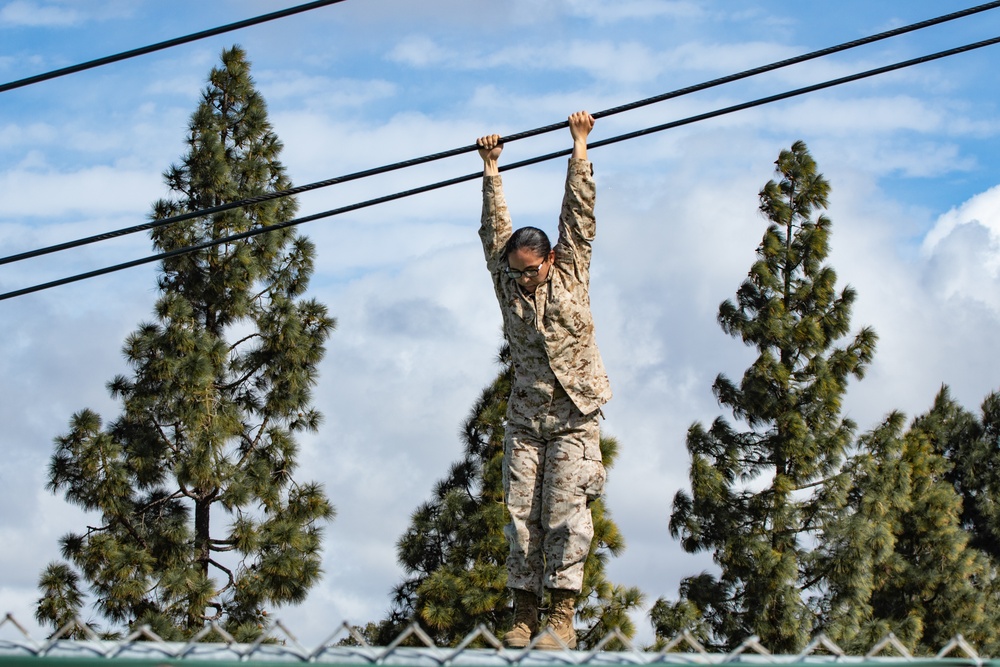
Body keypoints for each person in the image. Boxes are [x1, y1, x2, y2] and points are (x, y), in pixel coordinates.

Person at [476, 111, 612, 650]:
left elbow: (579, 212)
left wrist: (579, 144)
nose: (524, 278)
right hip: (527, 417)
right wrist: (492, 170)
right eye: (516, 271)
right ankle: (523, 615)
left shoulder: (571, 267)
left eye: (531, 269)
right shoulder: (507, 282)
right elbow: (494, 233)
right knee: (519, 512)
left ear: (549, 260)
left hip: (576, 413)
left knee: (565, 513)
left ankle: (560, 620)